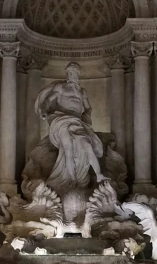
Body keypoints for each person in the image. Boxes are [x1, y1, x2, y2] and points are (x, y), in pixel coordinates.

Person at [34, 62, 107, 194]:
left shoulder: (82, 91)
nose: (73, 75)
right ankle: (72, 179)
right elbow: (47, 100)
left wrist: (86, 115)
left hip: (77, 122)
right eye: (71, 73)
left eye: (76, 73)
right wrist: (44, 110)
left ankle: (99, 174)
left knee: (87, 145)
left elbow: (88, 107)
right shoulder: (60, 87)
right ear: (67, 74)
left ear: (78, 75)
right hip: (61, 120)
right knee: (68, 149)